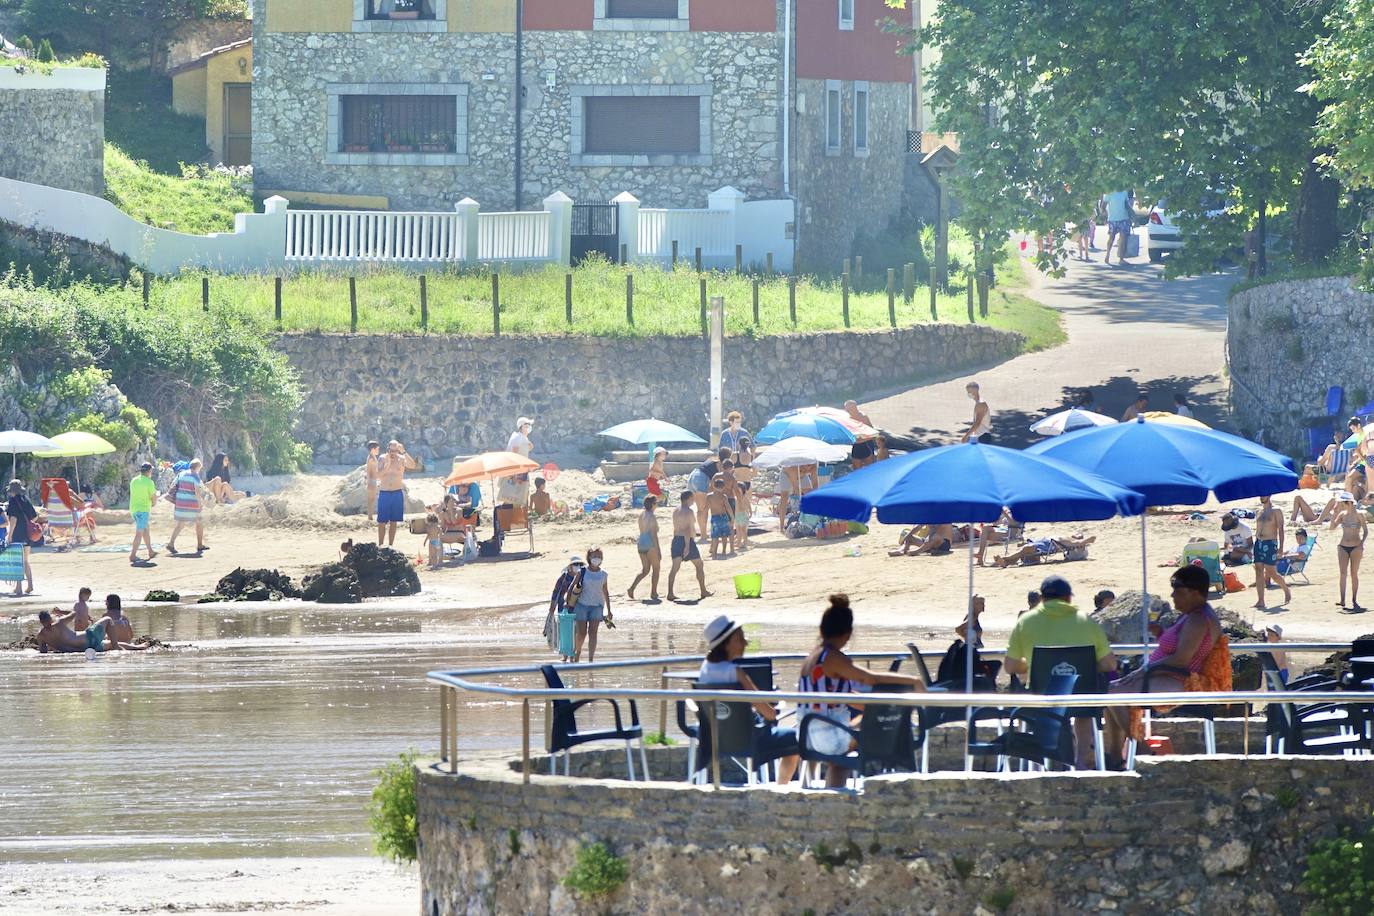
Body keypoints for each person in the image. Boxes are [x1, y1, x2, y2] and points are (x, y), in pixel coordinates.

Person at [797, 595, 926, 787]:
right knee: (874, 734)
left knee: (867, 722)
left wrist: (873, 708)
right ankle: (893, 780)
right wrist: (913, 681)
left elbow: (843, 697)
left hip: (807, 732)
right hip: (826, 735)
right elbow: (869, 678)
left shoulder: (812, 658)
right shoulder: (834, 658)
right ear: (847, 634)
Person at [1104, 566, 1223, 765]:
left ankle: (1141, 750)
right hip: (1169, 675)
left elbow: (1181, 659)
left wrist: (1145, 670)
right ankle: (1116, 757)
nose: (1172, 594)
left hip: (1183, 680)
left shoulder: (1198, 619)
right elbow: (1180, 647)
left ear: (1194, 592)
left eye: (1177, 588)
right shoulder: (1191, 615)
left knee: (1113, 693)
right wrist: (1161, 633)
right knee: (1110, 693)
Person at [1003, 575, 1117, 769]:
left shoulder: (1026, 622)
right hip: (1079, 697)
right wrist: (1084, 666)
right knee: (1084, 709)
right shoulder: (1085, 621)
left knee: (1040, 703)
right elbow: (1109, 664)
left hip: (1042, 699)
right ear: (1068, 598)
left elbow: (1010, 666)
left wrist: (1033, 665)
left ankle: (1042, 764)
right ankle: (1080, 760)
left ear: (1043, 598)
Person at [698, 615, 800, 784]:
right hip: (749, 740)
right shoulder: (735, 672)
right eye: (740, 638)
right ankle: (781, 789)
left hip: (714, 738)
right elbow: (769, 714)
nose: (746, 643)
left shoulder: (704, 669)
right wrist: (776, 708)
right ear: (727, 643)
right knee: (797, 739)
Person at [571, 547, 612, 663]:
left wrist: (609, 610)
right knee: (582, 633)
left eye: (599, 556)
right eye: (594, 556)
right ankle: (577, 655)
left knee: (593, 633)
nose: (596, 559)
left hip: (597, 606)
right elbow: (572, 586)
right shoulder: (582, 571)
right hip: (582, 605)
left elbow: (605, 591)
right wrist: (567, 602)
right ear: (589, 558)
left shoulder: (604, 574)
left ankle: (591, 660)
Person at [375, 440, 419, 547]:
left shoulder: (402, 459)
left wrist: (403, 451)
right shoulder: (382, 458)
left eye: (395, 450)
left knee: (394, 521)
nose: (393, 453)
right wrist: (387, 465)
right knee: (382, 522)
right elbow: (378, 476)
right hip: (384, 492)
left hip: (397, 493)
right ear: (388, 449)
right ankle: (380, 545)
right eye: (391, 450)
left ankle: (390, 545)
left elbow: (413, 465)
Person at [667, 491, 709, 602]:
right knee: (699, 565)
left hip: (676, 540)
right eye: (692, 498)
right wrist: (687, 546)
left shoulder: (676, 510)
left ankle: (670, 593)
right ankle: (703, 591)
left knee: (674, 568)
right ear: (688, 498)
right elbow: (687, 529)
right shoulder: (689, 511)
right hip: (686, 541)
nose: (694, 501)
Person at [1253, 495, 1291, 609]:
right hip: (1259, 543)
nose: (1261, 497)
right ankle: (1260, 600)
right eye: (1260, 495)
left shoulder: (1276, 511)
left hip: (1270, 543)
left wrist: (1281, 547)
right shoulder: (1258, 511)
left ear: (1269, 495)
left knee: (1271, 572)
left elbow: (1281, 529)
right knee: (1258, 570)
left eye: (1264, 495)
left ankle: (1286, 589)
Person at [1331, 492, 1367, 611]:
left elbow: (1365, 531)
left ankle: (1354, 599)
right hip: (1343, 546)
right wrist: (1334, 513)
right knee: (1342, 573)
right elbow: (1332, 528)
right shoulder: (1342, 514)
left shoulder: (1359, 515)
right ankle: (1342, 600)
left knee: (1354, 574)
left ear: (1349, 503)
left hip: (1355, 546)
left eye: (1343, 503)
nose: (1342, 505)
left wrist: (1361, 544)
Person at [545, 557, 584, 661]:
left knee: (575, 631)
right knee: (564, 632)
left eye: (580, 564)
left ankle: (573, 654)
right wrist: (552, 605)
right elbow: (556, 591)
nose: (578, 566)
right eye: (575, 564)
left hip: (578, 607)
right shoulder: (564, 577)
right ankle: (565, 655)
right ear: (570, 566)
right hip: (563, 608)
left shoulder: (583, 576)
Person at [688, 446, 732, 539]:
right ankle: (703, 534)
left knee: (700, 509)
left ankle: (703, 533)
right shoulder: (722, 465)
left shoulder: (713, 459)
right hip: (702, 478)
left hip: (693, 476)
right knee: (704, 509)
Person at [166, 459, 207, 555]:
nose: (199, 470)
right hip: (191, 503)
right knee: (199, 522)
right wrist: (200, 504)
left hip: (180, 502)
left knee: (181, 524)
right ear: (197, 467)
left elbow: (173, 485)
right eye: (200, 468)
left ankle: (171, 543)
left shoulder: (182, 473)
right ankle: (200, 545)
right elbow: (197, 492)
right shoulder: (195, 476)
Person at [4, 479, 37, 596]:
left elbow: (13, 519)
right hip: (27, 535)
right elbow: (34, 517)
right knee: (26, 561)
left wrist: (10, 535)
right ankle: (30, 585)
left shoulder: (13, 501)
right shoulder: (26, 499)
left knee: (17, 561)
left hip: (18, 534)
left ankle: (18, 588)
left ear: (12, 491)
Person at [627, 495, 661, 601]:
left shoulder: (642, 515)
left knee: (645, 570)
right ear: (653, 504)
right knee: (656, 568)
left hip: (641, 542)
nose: (657, 505)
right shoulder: (652, 516)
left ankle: (632, 588)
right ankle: (654, 592)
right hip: (650, 543)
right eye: (656, 503)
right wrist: (658, 550)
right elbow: (653, 535)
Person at [993, 534, 1096, 568]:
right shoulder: (1069, 540)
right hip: (1043, 542)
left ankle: (1005, 559)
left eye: (1078, 535)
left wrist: (1083, 541)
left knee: (1024, 550)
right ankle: (1006, 562)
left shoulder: (1071, 543)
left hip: (1046, 546)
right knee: (1023, 550)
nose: (1076, 534)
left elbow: (1091, 538)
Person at [128, 461, 158, 565]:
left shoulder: (134, 480)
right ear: (149, 471)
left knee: (146, 530)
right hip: (143, 510)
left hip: (134, 509)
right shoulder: (149, 482)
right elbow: (154, 497)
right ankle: (132, 555)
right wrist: (153, 503)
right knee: (140, 533)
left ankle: (150, 551)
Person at [706, 472, 733, 559]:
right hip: (724, 517)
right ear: (723, 487)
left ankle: (714, 553)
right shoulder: (723, 496)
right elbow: (728, 507)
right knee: (724, 535)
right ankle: (724, 551)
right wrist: (732, 517)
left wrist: (703, 514)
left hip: (715, 518)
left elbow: (706, 508)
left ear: (714, 486)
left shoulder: (709, 496)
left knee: (715, 536)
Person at [1103, 189, 1134, 265]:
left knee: (1123, 239)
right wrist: (1104, 218)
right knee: (1111, 237)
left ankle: (1121, 258)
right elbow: (1103, 206)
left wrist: (1132, 217)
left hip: (1124, 218)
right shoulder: (1109, 193)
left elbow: (1127, 206)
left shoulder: (1124, 193)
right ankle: (1107, 254)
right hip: (1113, 219)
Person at [364, 441, 380, 523]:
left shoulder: (373, 457)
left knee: (373, 499)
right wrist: (369, 482)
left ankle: (370, 515)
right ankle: (369, 516)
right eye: (377, 449)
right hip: (372, 481)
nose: (378, 450)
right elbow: (368, 471)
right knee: (371, 499)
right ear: (372, 449)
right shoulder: (370, 458)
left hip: (374, 480)